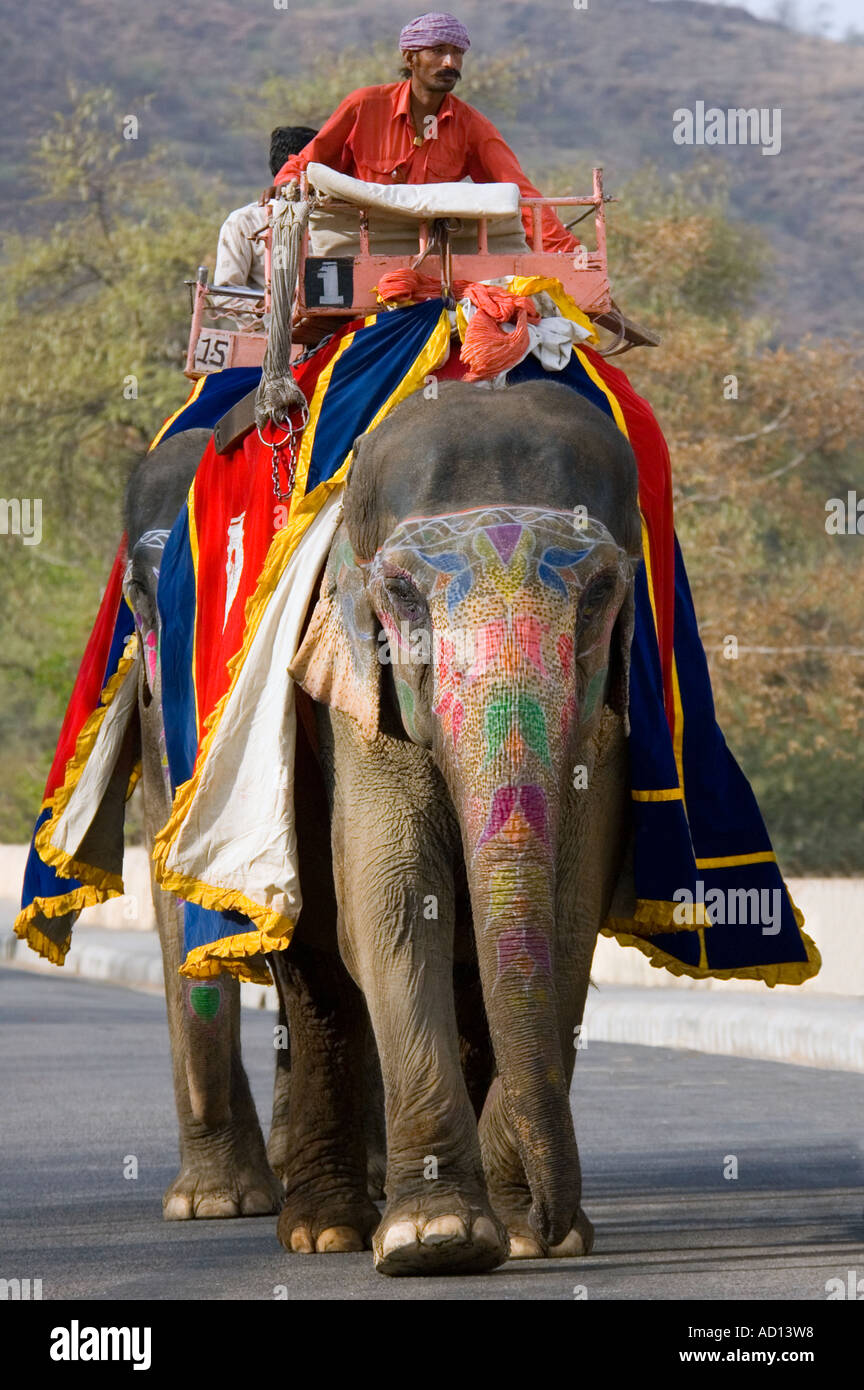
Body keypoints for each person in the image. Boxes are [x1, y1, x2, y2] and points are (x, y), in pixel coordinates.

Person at [262, 13, 579, 255]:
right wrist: (285, 184)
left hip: (436, 257)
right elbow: (311, 159)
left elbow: (521, 194)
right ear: (410, 58)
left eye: (457, 53)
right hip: (366, 251)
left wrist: (568, 254)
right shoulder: (364, 105)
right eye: (438, 51)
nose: (449, 62)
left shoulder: (472, 125)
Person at [216, 125, 318, 293]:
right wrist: (273, 315)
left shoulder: (337, 217)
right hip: (268, 319)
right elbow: (227, 292)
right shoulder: (245, 222)